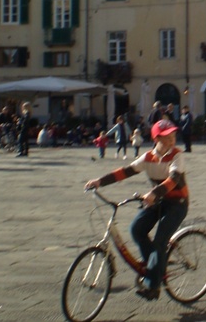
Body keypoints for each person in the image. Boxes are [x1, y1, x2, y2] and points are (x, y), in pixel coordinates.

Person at [84, 119, 189, 302]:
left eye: (173, 136)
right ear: (156, 138)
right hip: (159, 200)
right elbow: (126, 171)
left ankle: (153, 286)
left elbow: (173, 179)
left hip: (177, 203)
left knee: (159, 241)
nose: (172, 140)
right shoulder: (148, 157)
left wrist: (153, 193)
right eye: (167, 137)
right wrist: (100, 181)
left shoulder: (177, 155)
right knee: (136, 229)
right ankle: (154, 265)